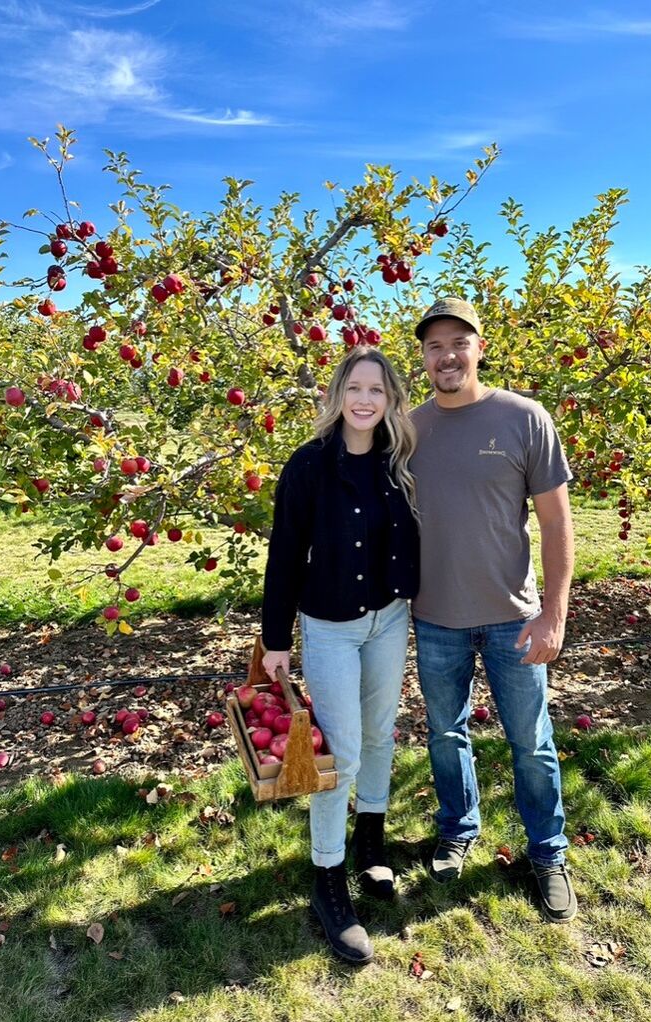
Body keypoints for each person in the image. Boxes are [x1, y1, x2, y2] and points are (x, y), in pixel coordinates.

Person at [409, 297, 577, 923]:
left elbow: (558, 524)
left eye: (459, 342)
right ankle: (458, 826)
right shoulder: (410, 427)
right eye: (434, 346)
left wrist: (553, 613)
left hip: (513, 616)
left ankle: (548, 850)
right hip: (434, 616)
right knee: (445, 733)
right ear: (423, 356)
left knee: (530, 741)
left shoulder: (524, 418)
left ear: (480, 347)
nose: (447, 355)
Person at [261, 345, 420, 964]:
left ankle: (371, 845)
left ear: (390, 400)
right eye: (355, 387)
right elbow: (284, 554)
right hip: (328, 626)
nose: (364, 400)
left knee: (379, 735)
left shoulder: (399, 461)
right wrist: (276, 640)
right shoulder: (308, 466)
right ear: (337, 394)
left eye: (376, 391)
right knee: (341, 752)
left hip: (389, 618)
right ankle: (328, 876)